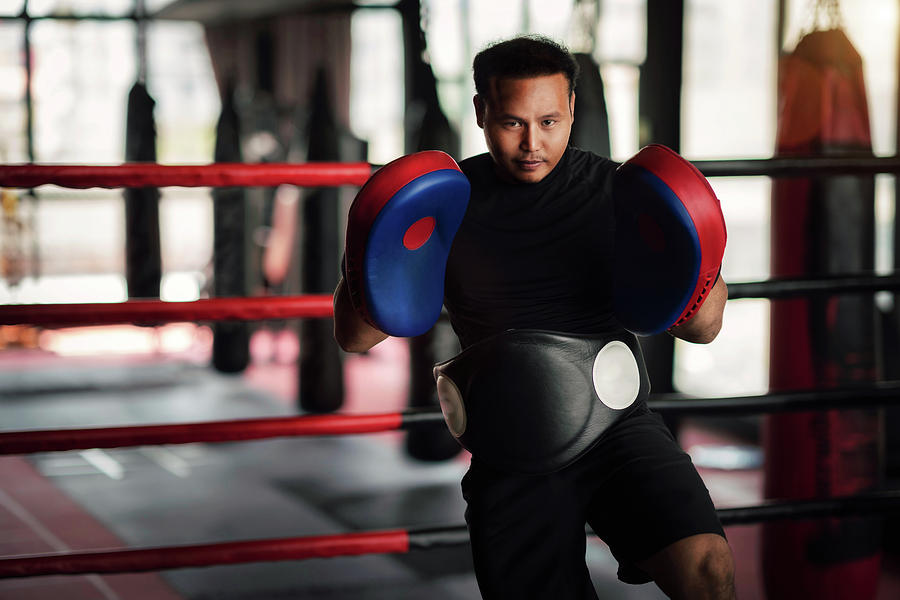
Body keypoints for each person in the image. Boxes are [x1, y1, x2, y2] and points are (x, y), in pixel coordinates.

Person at [333, 35, 734, 600]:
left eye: (549, 121)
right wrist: (368, 253)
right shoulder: (444, 204)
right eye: (512, 122)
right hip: (512, 447)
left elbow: (703, 327)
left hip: (620, 431)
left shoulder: (619, 192)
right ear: (480, 112)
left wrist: (698, 260)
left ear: (573, 108)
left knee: (707, 569)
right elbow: (355, 338)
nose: (532, 143)